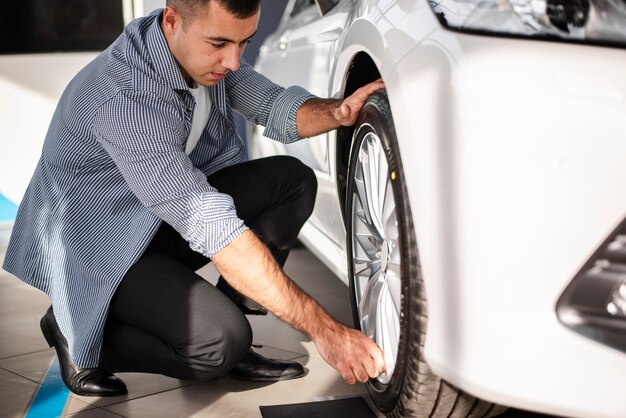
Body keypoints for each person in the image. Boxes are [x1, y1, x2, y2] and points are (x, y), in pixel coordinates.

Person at [2, 0, 386, 397]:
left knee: (291, 180)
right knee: (217, 346)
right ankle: (75, 327)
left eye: (244, 43)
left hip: (150, 222)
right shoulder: (124, 97)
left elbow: (274, 107)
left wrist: (338, 112)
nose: (234, 61)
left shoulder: (197, 53)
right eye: (220, 43)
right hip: (101, 249)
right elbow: (213, 226)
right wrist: (327, 331)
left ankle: (237, 334)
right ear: (172, 21)